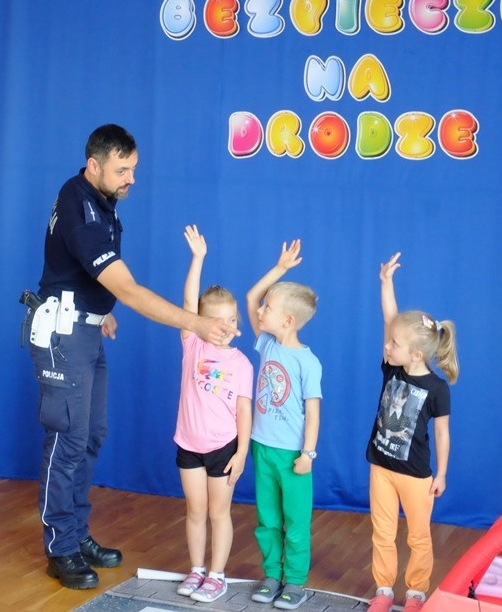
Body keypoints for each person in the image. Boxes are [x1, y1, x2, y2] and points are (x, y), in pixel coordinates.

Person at [28, 124, 240, 590]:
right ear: (94, 166)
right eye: (123, 170)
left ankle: (76, 534)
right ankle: (60, 548)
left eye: (134, 169)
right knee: (68, 440)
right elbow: (128, 289)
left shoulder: (98, 199)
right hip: (63, 335)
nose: (132, 179)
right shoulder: (82, 209)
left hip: (84, 327)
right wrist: (196, 323)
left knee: (91, 436)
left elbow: (78, 272)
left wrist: (99, 310)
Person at [365, 252, 459, 612]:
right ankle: (383, 590)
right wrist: (386, 282)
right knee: (383, 532)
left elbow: (442, 433)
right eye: (389, 342)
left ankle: (416, 592)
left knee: (418, 536)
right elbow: (390, 319)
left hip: (417, 475)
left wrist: (442, 474)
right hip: (381, 468)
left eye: (394, 344)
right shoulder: (392, 368)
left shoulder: (437, 388)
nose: (387, 346)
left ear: (416, 354)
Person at [173, 224, 254, 604]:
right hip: (189, 444)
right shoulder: (192, 344)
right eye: (218, 321)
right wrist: (198, 258)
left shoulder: (241, 363)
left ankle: (217, 574)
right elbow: (188, 304)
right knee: (195, 509)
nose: (226, 327)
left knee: (219, 512)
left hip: (224, 447)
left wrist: (242, 452)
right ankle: (197, 569)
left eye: (232, 320)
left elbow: (243, 408)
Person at [245, 240, 322, 610]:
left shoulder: (308, 362)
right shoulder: (267, 344)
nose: (260, 311)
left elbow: (313, 413)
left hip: (293, 456)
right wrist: (279, 269)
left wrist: (308, 453)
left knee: (295, 521)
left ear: (288, 321)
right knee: (267, 518)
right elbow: (250, 297)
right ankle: (272, 575)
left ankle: (295, 581)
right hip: (262, 447)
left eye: (269, 308)